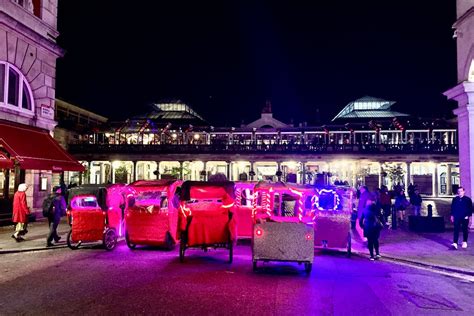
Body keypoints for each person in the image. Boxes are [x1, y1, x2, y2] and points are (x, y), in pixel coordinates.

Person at [359, 194, 383, 260]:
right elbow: (381, 217)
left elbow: (361, 220)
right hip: (376, 227)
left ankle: (372, 255)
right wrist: (381, 224)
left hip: (368, 227)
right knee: (376, 240)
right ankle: (377, 253)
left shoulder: (365, 210)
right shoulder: (377, 209)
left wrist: (362, 226)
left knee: (370, 241)